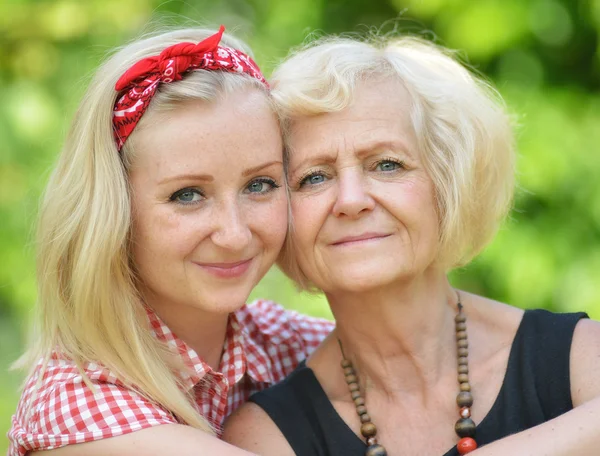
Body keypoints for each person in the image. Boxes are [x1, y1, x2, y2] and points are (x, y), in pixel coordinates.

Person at [223, 34, 600, 455]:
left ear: (447, 184)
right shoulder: (264, 435)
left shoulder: (578, 356)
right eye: (314, 177)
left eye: (387, 164)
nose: (350, 200)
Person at [7, 26, 333, 456]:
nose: (234, 234)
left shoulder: (287, 343)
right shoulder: (75, 400)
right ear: (115, 212)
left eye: (259, 184)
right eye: (187, 195)